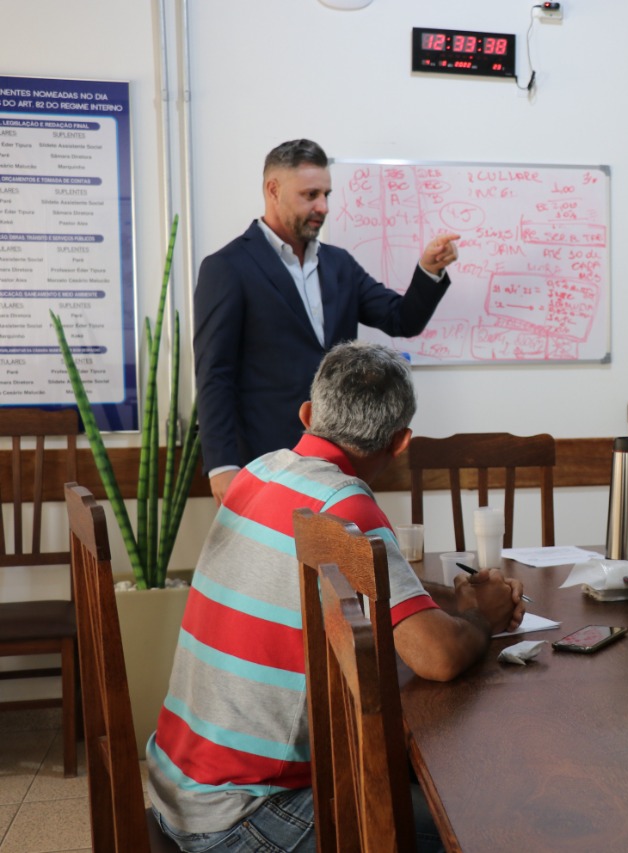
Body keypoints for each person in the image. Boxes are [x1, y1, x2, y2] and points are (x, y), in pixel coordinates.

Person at [148, 341, 524, 851]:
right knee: (485, 823)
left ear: (307, 414)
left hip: (179, 786)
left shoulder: (257, 475)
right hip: (246, 816)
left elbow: (373, 587)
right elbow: (437, 657)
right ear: (400, 442)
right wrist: (482, 616)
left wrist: (448, 602)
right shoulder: (345, 509)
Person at [195, 138, 462, 505]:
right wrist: (222, 465)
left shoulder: (340, 265)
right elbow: (215, 372)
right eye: (310, 195)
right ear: (273, 190)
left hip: (336, 464)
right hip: (264, 462)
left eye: (326, 194)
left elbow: (402, 319)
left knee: (334, 563)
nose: (322, 206)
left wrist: (429, 271)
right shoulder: (227, 268)